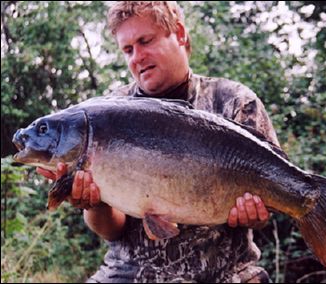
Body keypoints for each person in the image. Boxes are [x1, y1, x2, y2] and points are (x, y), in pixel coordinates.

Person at [37, 2, 282, 282]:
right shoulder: (107, 113)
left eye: (145, 41)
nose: (137, 57)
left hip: (226, 272)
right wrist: (95, 204)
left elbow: (268, 210)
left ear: (179, 33)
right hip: (131, 273)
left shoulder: (234, 102)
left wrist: (255, 213)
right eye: (128, 49)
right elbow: (111, 230)